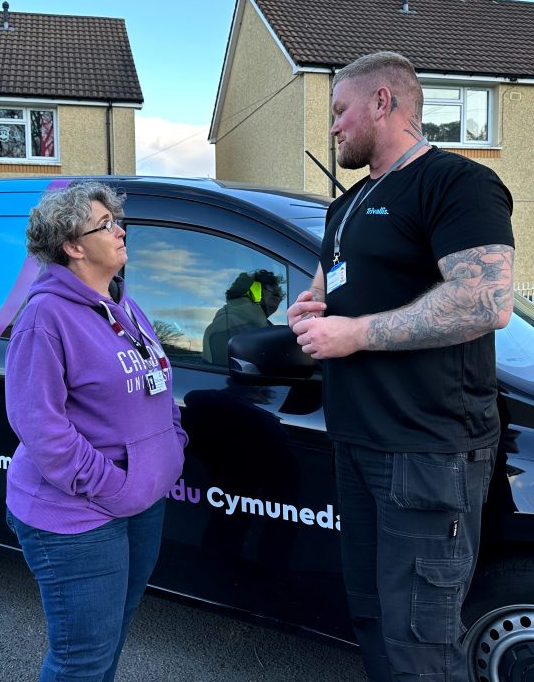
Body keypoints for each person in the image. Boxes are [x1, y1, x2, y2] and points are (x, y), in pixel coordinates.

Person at [288, 51, 514, 682]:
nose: (332, 126)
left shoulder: (456, 183)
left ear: (383, 102)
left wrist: (355, 333)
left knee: (422, 642)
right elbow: (333, 286)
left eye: (340, 110)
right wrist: (309, 308)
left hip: (426, 451)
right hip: (355, 441)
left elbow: (485, 301)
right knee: (370, 619)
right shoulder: (350, 203)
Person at [4, 181, 188, 682]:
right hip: (76, 517)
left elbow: (158, 387)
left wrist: (170, 449)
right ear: (73, 245)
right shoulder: (45, 316)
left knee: (109, 640)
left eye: (117, 221)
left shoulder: (124, 306)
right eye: (106, 225)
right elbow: (39, 426)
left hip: (139, 505)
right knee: (81, 658)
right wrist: (112, 484)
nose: (121, 230)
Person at [201, 269, 285, 364]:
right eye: (273, 291)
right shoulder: (226, 326)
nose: (279, 296)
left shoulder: (261, 324)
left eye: (280, 293)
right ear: (255, 291)